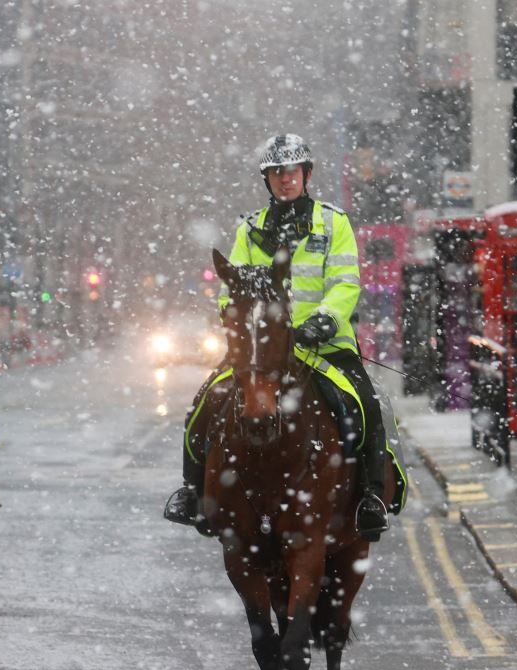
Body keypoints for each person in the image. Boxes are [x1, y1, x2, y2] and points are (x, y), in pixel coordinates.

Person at [163, 133, 389, 541]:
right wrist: (235, 320)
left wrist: (323, 319)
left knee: (366, 404)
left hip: (323, 344)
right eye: (276, 173)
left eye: (292, 172)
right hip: (261, 349)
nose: (286, 179)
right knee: (205, 401)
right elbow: (230, 291)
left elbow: (345, 282)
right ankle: (191, 491)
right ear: (266, 179)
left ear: (307, 174)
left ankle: (371, 496)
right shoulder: (249, 229)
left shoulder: (334, 222)